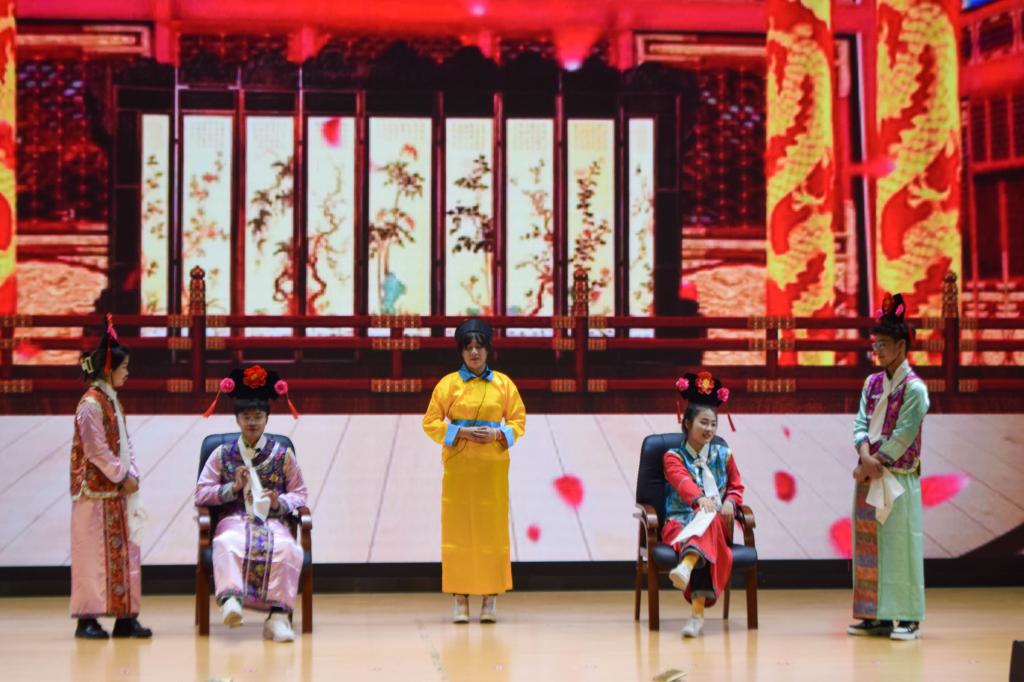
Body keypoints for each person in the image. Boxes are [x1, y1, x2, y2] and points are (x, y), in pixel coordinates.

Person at [422, 319, 526, 624]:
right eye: (468, 348)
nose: (475, 353)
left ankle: (490, 599)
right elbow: (430, 422)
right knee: (459, 531)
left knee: (492, 531)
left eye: (479, 347)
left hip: (492, 466)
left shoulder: (503, 384)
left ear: (488, 350)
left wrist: (497, 434)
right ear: (461, 351)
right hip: (460, 467)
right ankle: (460, 598)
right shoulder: (448, 385)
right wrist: (461, 433)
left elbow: (518, 421)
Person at [195, 365, 307, 642]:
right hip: (234, 519)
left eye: (258, 416)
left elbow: (300, 493)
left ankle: (278, 617)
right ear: (237, 420)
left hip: (272, 521)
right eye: (246, 417)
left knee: (288, 548)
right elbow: (202, 493)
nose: (252, 422)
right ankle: (230, 600)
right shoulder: (222, 454)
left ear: (267, 418)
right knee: (227, 542)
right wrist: (232, 488)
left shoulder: (282, 455)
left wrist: (279, 502)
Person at [848, 293, 929, 641]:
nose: (877, 350)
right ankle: (874, 614)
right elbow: (860, 423)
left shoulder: (916, 390)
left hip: (898, 477)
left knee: (901, 546)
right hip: (869, 475)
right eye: (875, 344)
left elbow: (903, 436)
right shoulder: (872, 384)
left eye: (882, 344)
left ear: (901, 346)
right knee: (867, 547)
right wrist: (865, 456)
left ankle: (908, 617)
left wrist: (873, 463)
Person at [70, 314, 151, 639]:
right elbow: (96, 451)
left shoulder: (110, 400)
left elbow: (124, 443)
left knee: (127, 552)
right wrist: (122, 476)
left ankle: (125, 616)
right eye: (124, 367)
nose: (127, 372)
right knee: (92, 556)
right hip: (95, 492)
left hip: (117, 489)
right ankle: (86, 618)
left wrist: (133, 474)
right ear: (108, 369)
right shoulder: (90, 405)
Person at [661, 371, 744, 638]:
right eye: (703, 423)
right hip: (680, 522)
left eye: (713, 424)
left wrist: (730, 501)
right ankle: (696, 617)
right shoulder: (673, 456)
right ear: (687, 423)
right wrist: (699, 500)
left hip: (715, 523)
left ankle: (686, 566)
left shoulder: (724, 454)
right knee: (706, 529)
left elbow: (736, 487)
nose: (709, 429)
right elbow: (682, 481)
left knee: (710, 522)